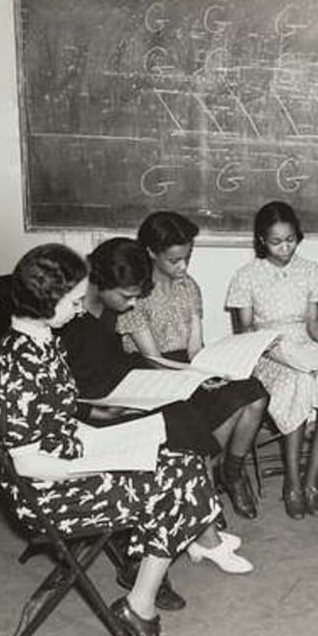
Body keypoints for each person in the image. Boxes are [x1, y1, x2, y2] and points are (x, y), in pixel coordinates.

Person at [0, 244, 249, 636]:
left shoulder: (40, 340)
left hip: (67, 463)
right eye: (72, 302)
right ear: (46, 301)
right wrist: (114, 457)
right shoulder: (21, 365)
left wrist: (125, 440)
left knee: (182, 454)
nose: (79, 310)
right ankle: (141, 604)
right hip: (48, 494)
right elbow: (27, 462)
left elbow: (62, 423)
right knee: (175, 481)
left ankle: (141, 588)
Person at [59, 237, 269, 595]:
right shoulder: (67, 322)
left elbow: (116, 361)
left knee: (188, 412)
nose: (133, 304)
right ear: (101, 283)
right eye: (127, 296)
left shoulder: (108, 310)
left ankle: (198, 528)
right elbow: (65, 391)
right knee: (179, 425)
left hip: (122, 393)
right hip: (93, 414)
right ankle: (203, 536)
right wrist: (101, 404)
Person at [117, 212, 269, 520]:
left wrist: (214, 368)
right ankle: (205, 482)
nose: (183, 267)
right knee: (221, 406)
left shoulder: (188, 286)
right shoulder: (135, 292)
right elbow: (152, 358)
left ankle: (232, 471)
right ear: (150, 252)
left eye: (187, 257)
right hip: (152, 374)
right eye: (175, 260)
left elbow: (195, 346)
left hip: (189, 366)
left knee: (253, 394)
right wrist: (197, 379)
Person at [225, 201, 318, 519]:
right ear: (261, 240)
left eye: (291, 239)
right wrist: (275, 351)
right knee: (296, 384)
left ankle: (312, 481)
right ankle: (292, 484)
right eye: (276, 241)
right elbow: (245, 332)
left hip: (304, 344)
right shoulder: (246, 276)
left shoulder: (309, 269)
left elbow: (313, 323)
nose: (285, 248)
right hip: (267, 351)